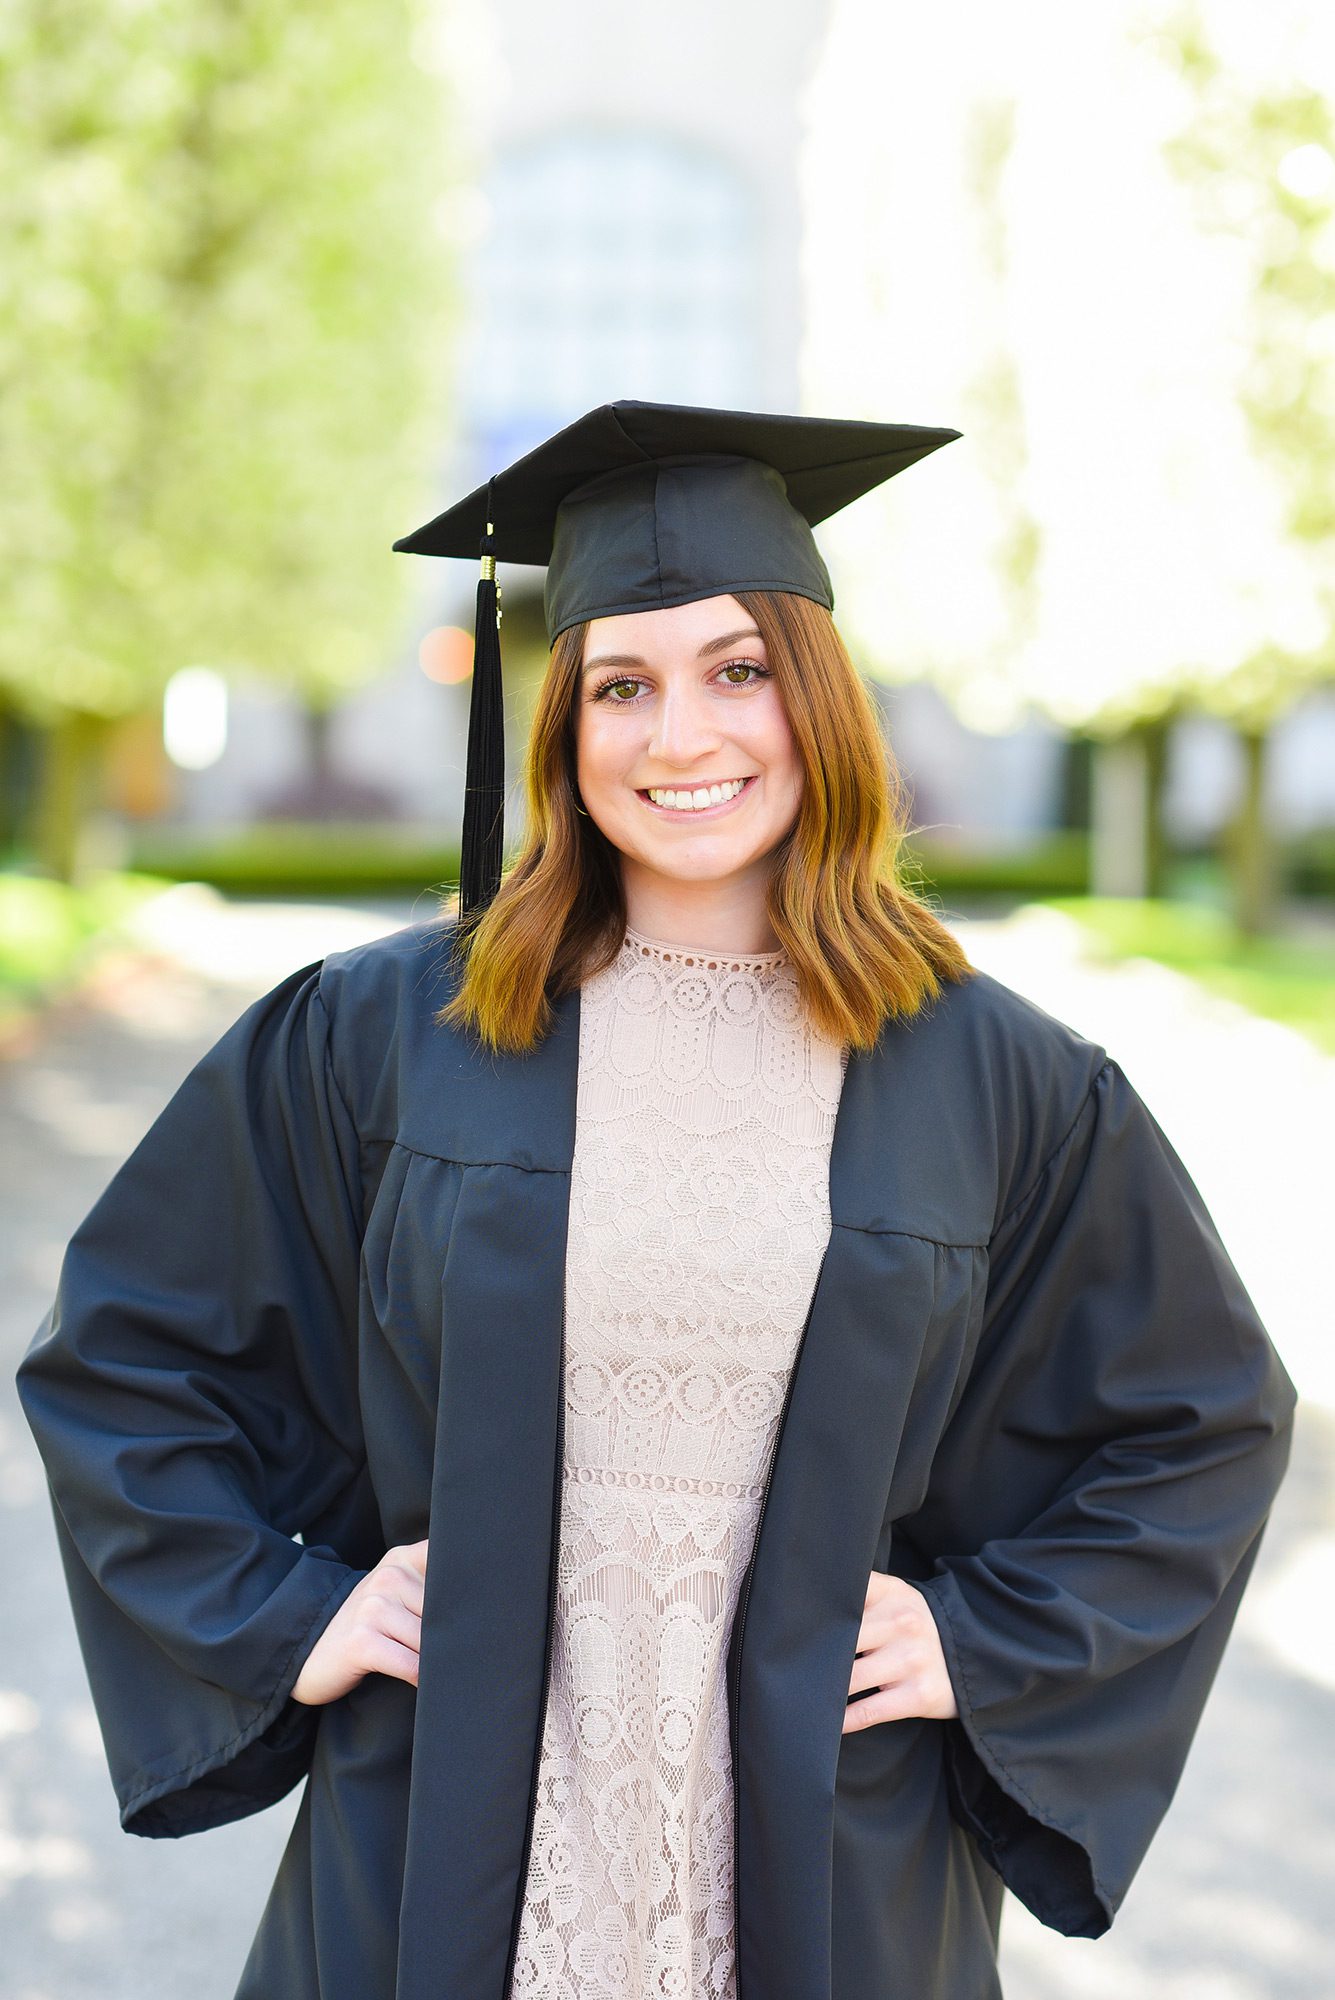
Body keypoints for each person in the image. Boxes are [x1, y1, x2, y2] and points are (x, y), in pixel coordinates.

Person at [16, 402, 1296, 2000]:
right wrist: (295, 1615)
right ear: (561, 726)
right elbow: (127, 1352)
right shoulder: (381, 1035)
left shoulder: (998, 1077)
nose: (679, 738)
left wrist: (983, 1642)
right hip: (443, 1840)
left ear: (817, 699)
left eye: (738, 670)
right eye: (621, 685)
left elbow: (1200, 1415)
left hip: (831, 1864)